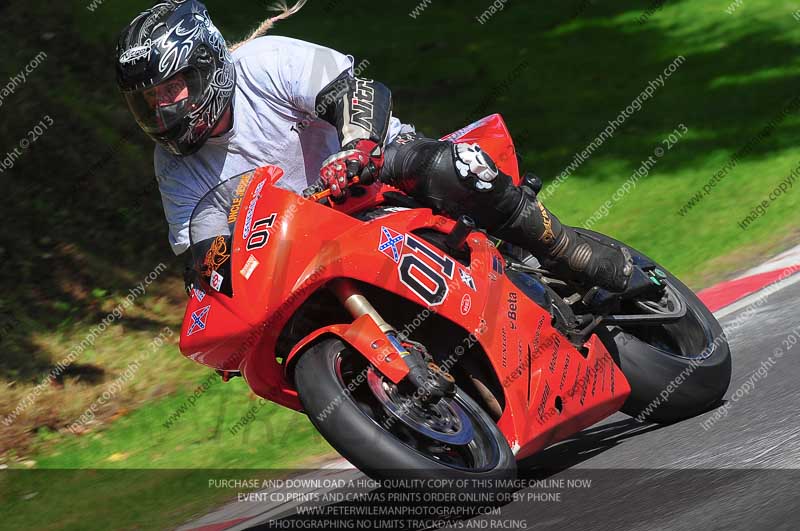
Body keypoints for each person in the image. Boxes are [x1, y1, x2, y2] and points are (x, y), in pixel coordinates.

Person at [116, 0, 645, 296]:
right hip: (307, 247)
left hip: (374, 173)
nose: (162, 110)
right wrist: (214, 286)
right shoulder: (173, 165)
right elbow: (199, 253)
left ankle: (567, 250)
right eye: (148, 100)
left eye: (170, 89)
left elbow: (357, 91)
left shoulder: (265, 61)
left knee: (451, 168)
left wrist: (355, 150)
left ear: (206, 66)